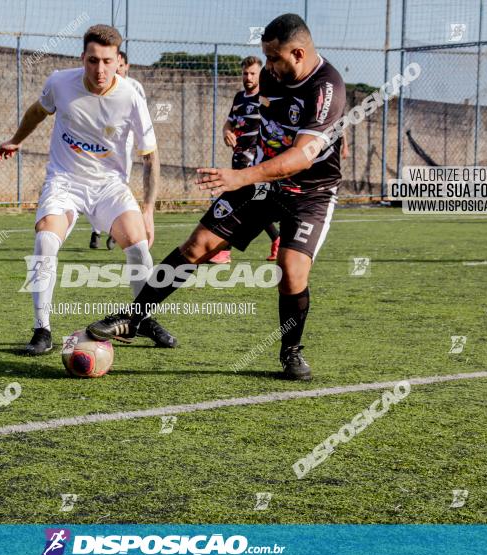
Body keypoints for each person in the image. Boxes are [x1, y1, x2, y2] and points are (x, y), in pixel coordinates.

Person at [85, 13, 346, 381]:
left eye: (274, 58)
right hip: (261, 182)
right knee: (197, 245)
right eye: (265, 58)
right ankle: (133, 317)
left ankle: (291, 351)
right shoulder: (272, 76)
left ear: (299, 54)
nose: (266, 67)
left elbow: (302, 155)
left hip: (310, 193)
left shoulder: (327, 88)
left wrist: (239, 175)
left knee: (290, 270)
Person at [0, 24, 176, 355]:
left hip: (109, 185)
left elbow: (151, 158)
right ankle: (42, 331)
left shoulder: (131, 96)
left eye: (107, 61)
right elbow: (37, 112)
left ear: (118, 59)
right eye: (93, 60)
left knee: (138, 246)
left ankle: (142, 319)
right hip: (65, 179)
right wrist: (16, 140)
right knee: (45, 239)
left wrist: (148, 211)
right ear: (83, 58)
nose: (100, 69)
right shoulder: (60, 82)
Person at [210, 56, 281, 264]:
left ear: (260, 75)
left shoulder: (264, 98)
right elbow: (229, 123)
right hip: (238, 158)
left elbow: (274, 122)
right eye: (245, 73)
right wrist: (226, 132)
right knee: (253, 204)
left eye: (252, 73)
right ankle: (277, 239)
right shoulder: (239, 97)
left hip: (254, 162)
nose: (248, 77)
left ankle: (225, 250)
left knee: (237, 202)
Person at [89, 50, 146, 251]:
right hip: (101, 144)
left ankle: (115, 231)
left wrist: (141, 142)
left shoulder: (134, 87)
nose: (118, 69)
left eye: (121, 65)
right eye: (116, 64)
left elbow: (142, 118)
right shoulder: (101, 85)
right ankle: (96, 231)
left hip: (125, 144)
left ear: (126, 66)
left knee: (120, 183)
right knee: (96, 183)